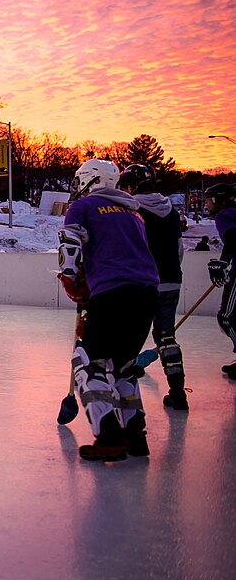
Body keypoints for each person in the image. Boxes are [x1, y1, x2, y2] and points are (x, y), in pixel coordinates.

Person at [58, 159, 159, 461]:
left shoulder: (84, 206)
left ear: (91, 180)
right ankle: (134, 437)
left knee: (89, 363)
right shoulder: (133, 213)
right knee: (124, 365)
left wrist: (71, 278)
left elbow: (70, 245)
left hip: (113, 292)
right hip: (146, 292)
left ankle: (108, 436)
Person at [118, 164, 188, 410]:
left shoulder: (130, 209)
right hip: (171, 279)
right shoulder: (171, 210)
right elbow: (179, 249)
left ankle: (124, 402)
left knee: (128, 336)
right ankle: (178, 393)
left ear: (129, 186)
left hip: (142, 282)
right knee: (166, 336)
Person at [204, 183, 236, 379]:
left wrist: (223, 262)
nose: (206, 203)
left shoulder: (224, 215)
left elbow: (233, 237)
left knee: (227, 317)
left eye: (209, 199)